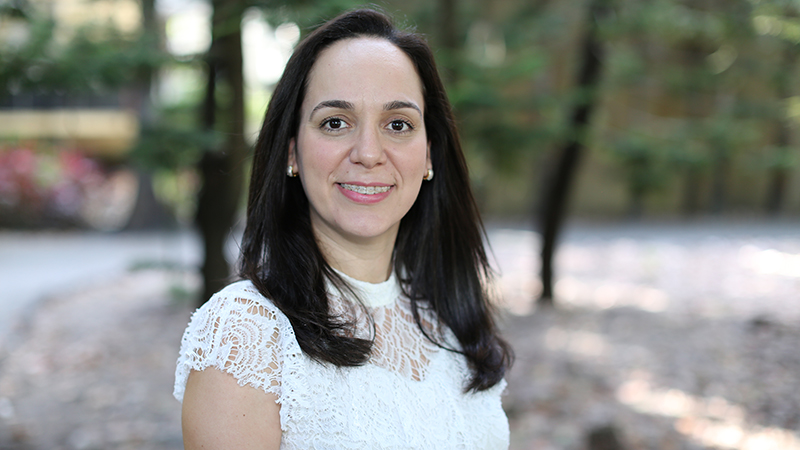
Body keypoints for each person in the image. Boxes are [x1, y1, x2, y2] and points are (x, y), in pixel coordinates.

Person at [174, 8, 513, 449]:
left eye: (398, 125)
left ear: (429, 155)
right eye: (335, 122)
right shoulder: (245, 334)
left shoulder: (449, 318)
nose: (369, 153)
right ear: (292, 152)